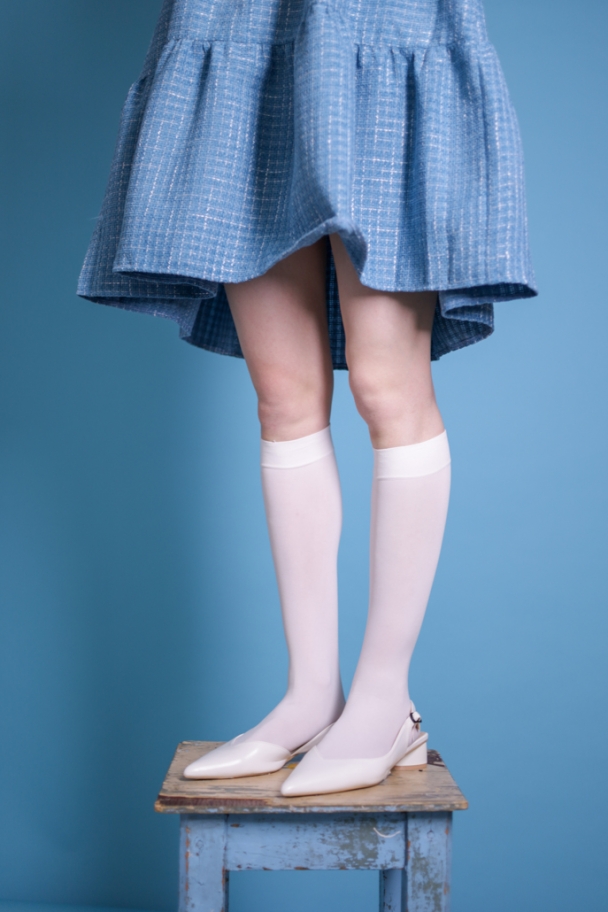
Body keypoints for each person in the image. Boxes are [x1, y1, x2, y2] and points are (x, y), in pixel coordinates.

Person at [78, 0, 536, 795]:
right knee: (282, 398)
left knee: (387, 386)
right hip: (242, 24)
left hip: (377, 25)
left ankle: (385, 700)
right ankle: (311, 695)